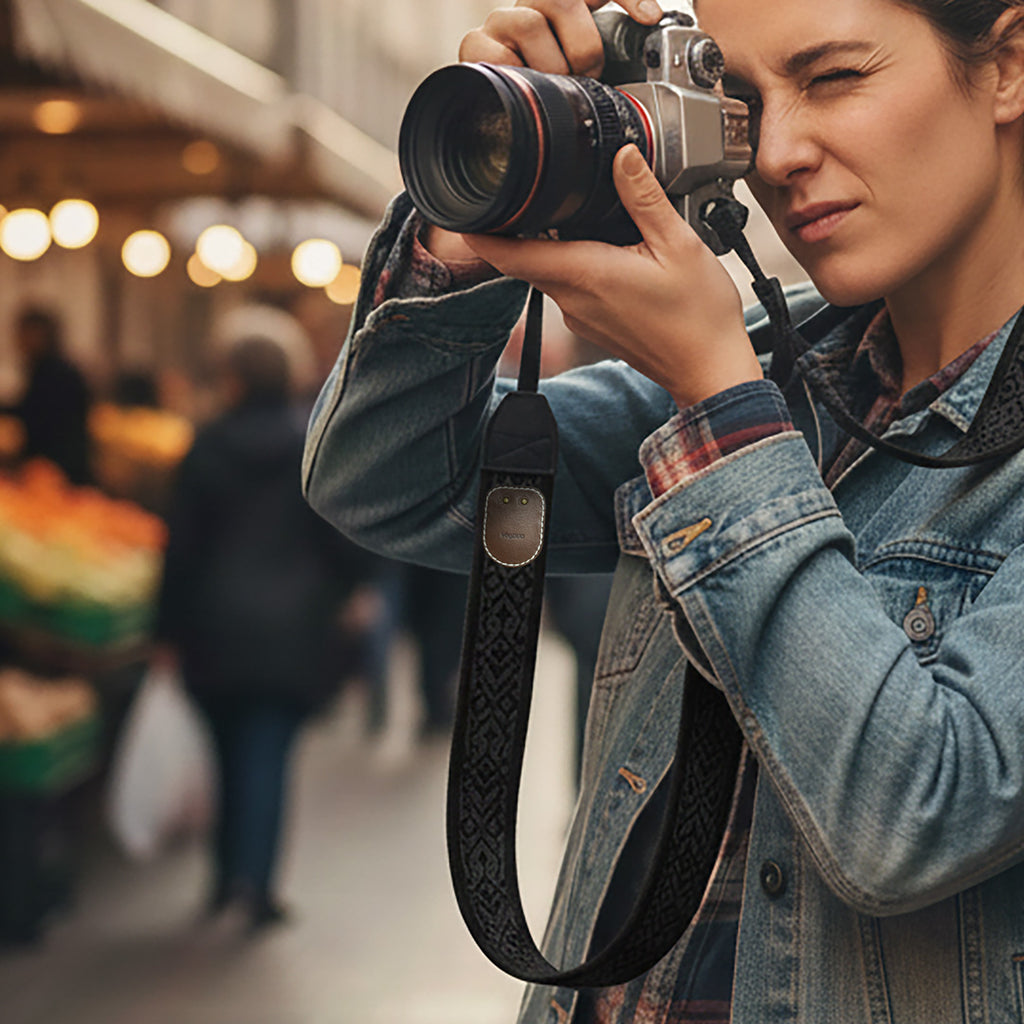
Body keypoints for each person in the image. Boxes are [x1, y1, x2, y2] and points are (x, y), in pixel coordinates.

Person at [302, 0, 1024, 1019]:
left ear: (1005, 65)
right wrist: (475, 222)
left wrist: (720, 406)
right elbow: (385, 482)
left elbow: (915, 815)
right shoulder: (785, 371)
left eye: (831, 79)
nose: (774, 154)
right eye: (740, 99)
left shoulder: (733, 382)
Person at [155, 336, 367, 931]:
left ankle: (223, 879)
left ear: (234, 381)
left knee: (223, 755)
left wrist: (165, 629)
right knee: (268, 757)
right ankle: (260, 886)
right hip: (292, 628)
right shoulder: (312, 445)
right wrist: (350, 590)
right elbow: (339, 534)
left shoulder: (205, 446)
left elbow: (182, 548)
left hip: (213, 625)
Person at [8, 307, 93, 484]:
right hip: (53, 464)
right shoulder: (43, 368)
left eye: (25, 333)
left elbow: (38, 414)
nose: (19, 341)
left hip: (59, 466)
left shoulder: (55, 372)